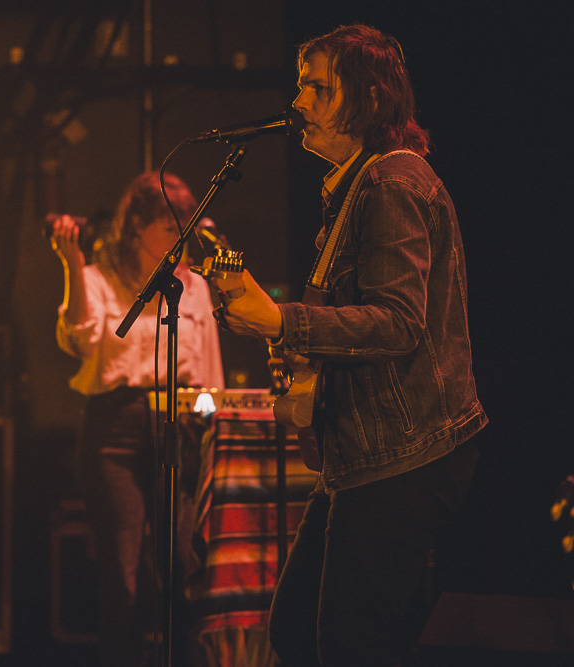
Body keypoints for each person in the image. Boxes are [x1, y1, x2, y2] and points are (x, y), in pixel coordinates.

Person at [208, 24, 488, 666]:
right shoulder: (358, 185)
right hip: (365, 453)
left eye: (318, 88)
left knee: (347, 644)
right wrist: (284, 333)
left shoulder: (391, 183)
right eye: (301, 85)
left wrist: (283, 322)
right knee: (297, 631)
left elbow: (397, 323)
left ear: (368, 97)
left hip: (405, 453)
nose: (298, 101)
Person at [51, 171, 225, 667]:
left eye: (185, 226)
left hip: (181, 423)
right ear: (137, 228)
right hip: (117, 428)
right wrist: (71, 265)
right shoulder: (98, 279)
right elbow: (79, 338)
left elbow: (210, 369)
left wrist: (213, 424)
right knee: (122, 581)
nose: (180, 237)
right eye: (170, 226)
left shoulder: (194, 287)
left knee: (182, 569)